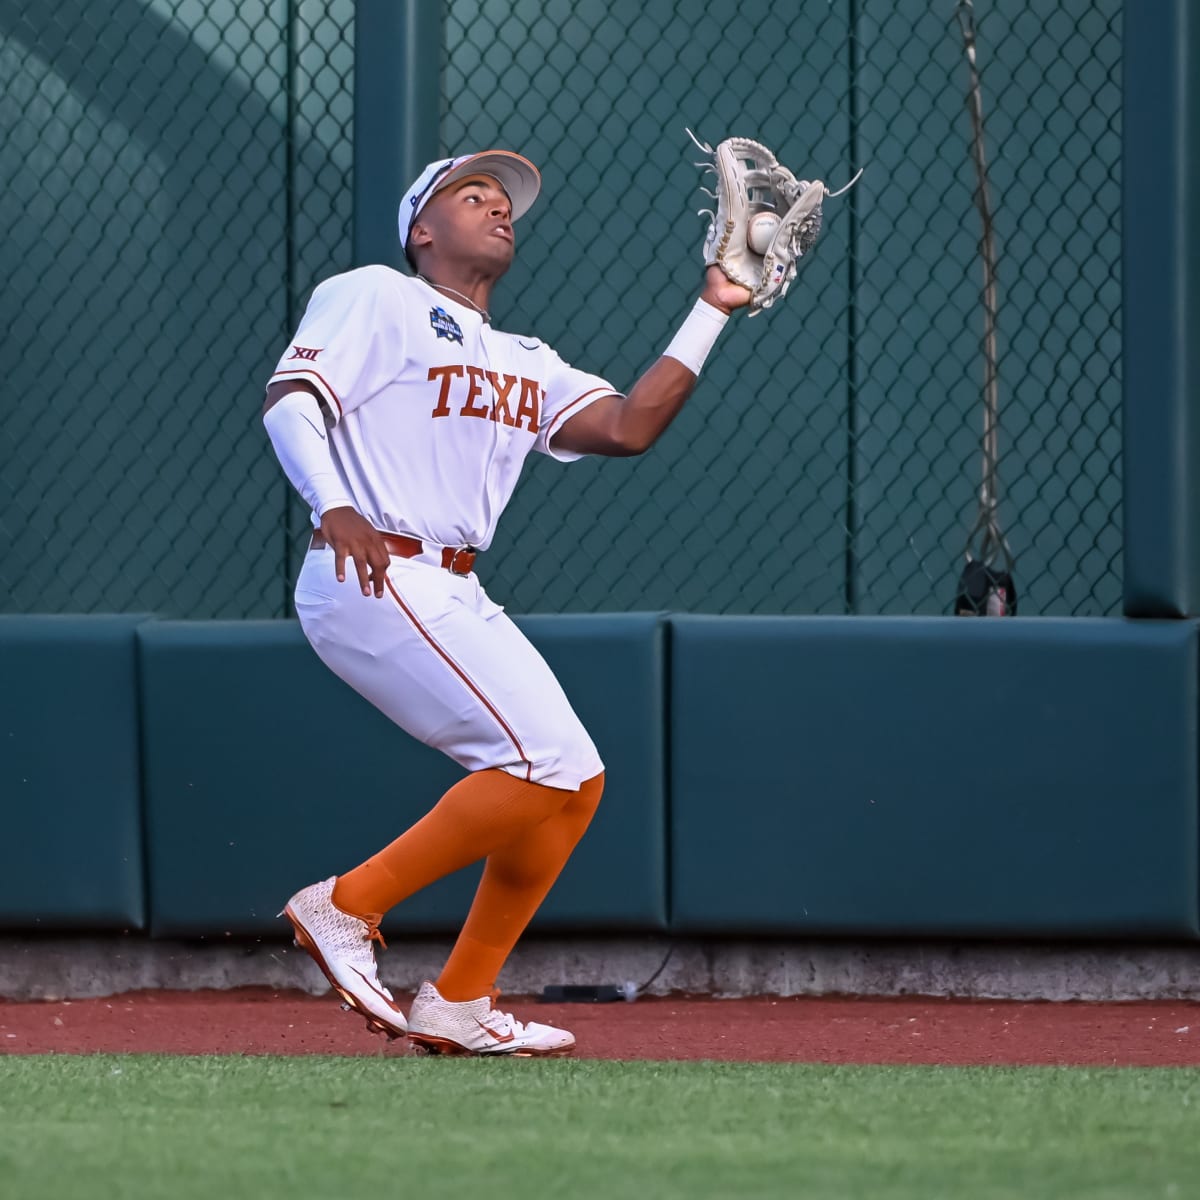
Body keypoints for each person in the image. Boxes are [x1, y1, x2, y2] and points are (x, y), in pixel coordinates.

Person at [262, 148, 750, 1056]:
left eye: (506, 202)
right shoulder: (379, 293)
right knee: (535, 762)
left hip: (452, 584)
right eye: (471, 195)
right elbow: (291, 401)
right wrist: (333, 506)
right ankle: (345, 905)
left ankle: (458, 999)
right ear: (421, 231)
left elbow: (629, 425)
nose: (498, 209)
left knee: (575, 784)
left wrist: (711, 310)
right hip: (375, 566)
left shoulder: (522, 358)